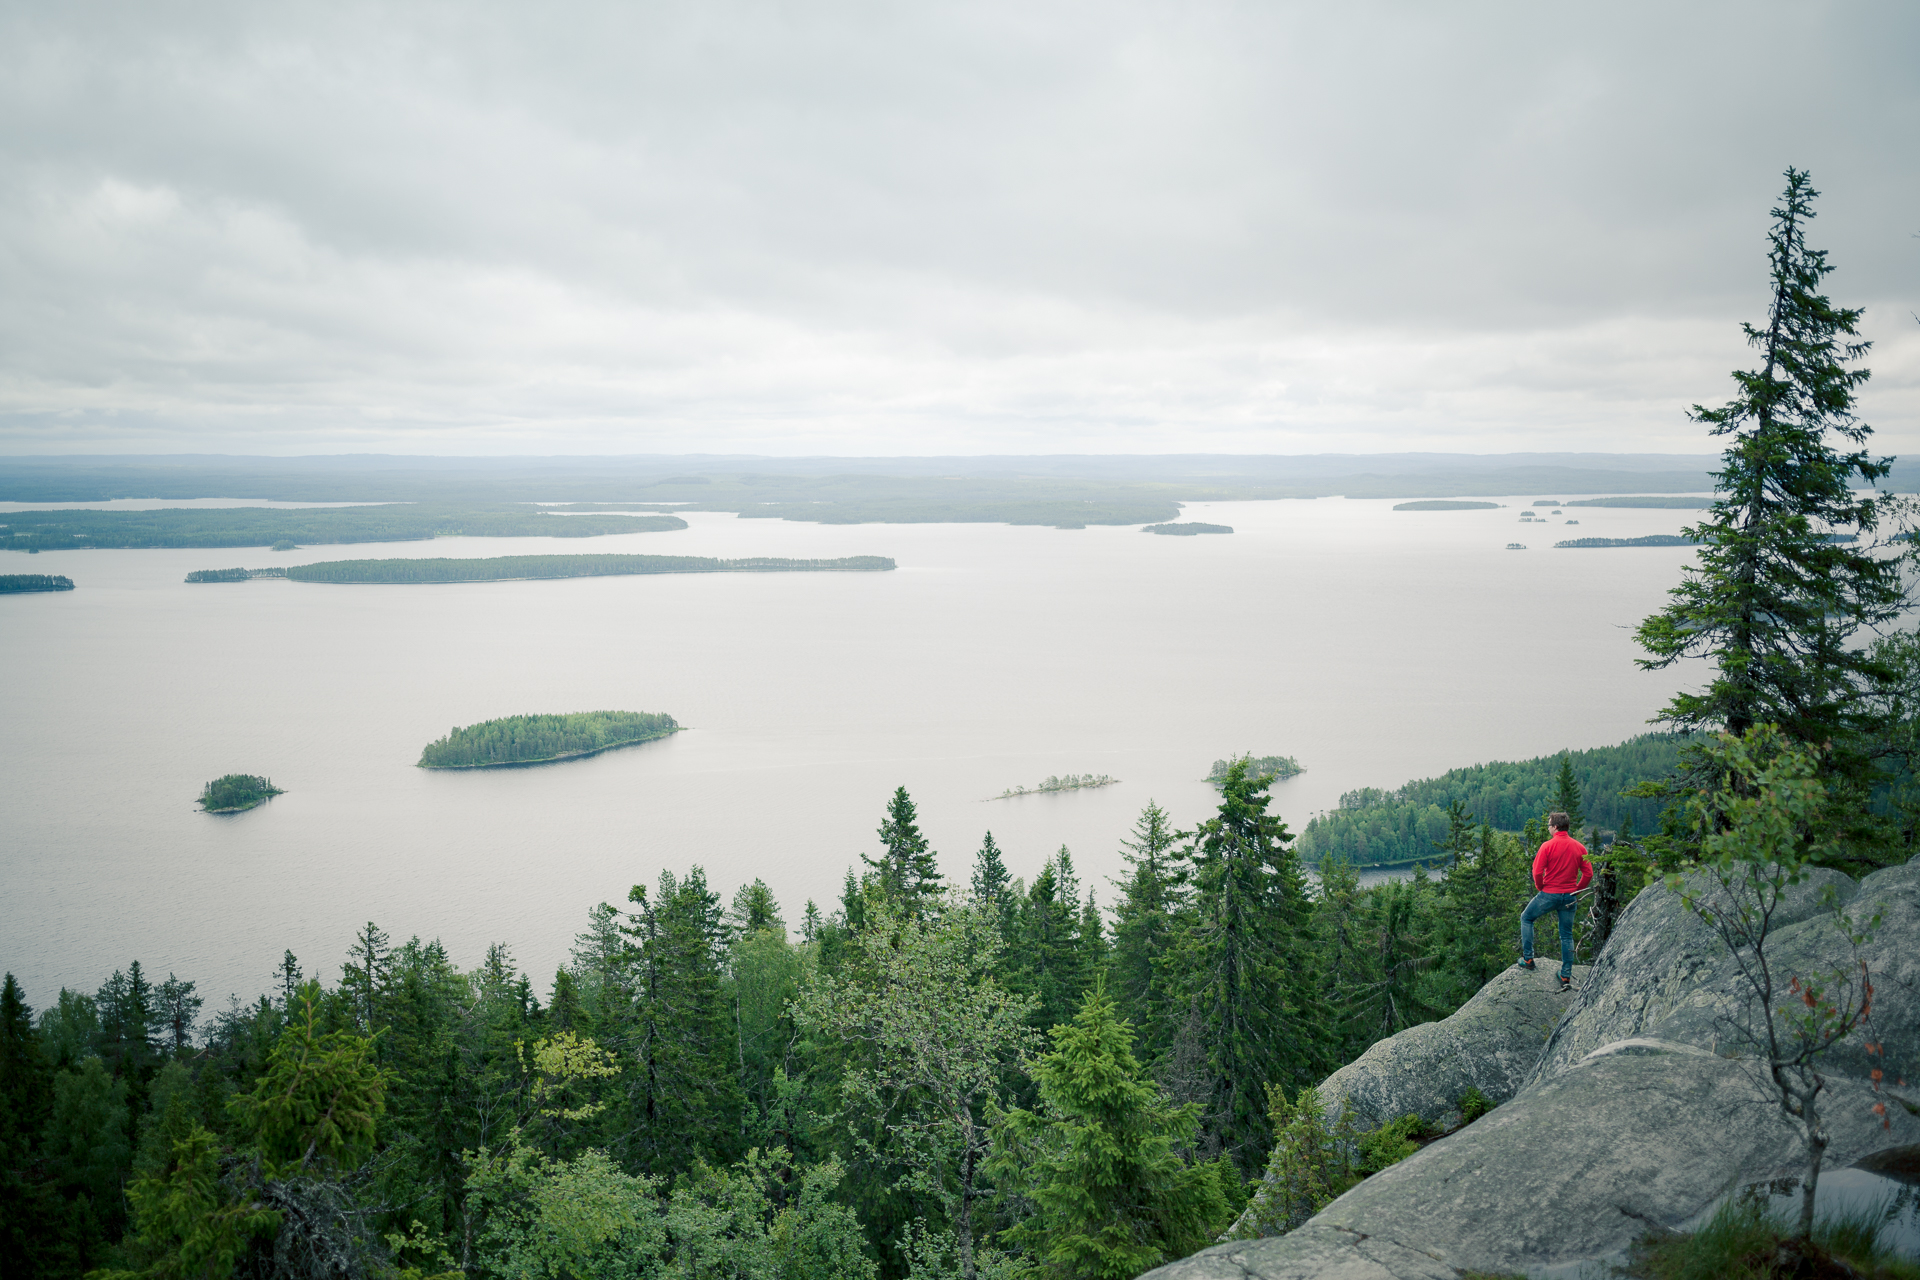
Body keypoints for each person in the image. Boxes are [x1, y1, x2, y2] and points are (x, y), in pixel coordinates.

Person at [1517, 811, 1592, 991]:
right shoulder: (1579, 847)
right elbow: (1588, 873)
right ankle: (1565, 975)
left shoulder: (1547, 846)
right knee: (1566, 935)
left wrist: (1540, 886)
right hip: (1569, 896)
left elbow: (1537, 871)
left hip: (1549, 894)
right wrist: (1576, 890)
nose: (1548, 828)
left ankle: (1528, 959)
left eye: (1549, 825)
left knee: (1526, 918)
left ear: (1556, 827)